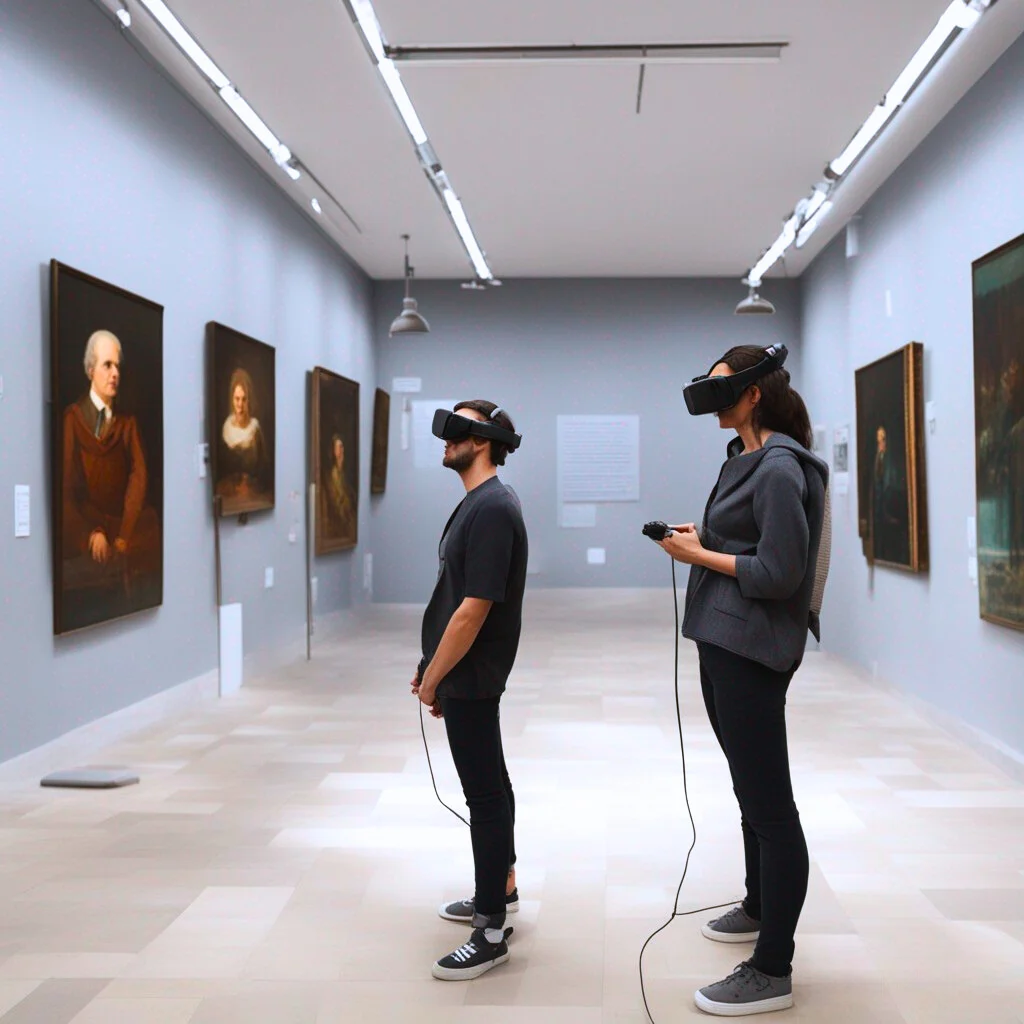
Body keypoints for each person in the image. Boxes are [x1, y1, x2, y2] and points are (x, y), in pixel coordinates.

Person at [659, 345, 828, 1016]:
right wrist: (702, 537)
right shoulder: (744, 459)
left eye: (722, 388)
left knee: (770, 805)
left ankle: (772, 969)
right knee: (747, 787)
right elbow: (751, 545)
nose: (711, 397)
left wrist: (696, 552)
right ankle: (760, 906)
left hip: (752, 648)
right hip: (723, 639)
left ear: (753, 394)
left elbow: (779, 573)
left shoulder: (782, 468)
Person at [412, 401, 528, 981]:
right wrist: (430, 665)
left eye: (457, 428)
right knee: (493, 784)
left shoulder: (493, 509)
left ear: (481, 440)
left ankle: (488, 932)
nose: (445, 439)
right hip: (463, 673)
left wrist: (435, 676)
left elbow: (473, 610)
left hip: (473, 675)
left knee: (483, 796)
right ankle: (499, 890)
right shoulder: (478, 504)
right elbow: (452, 594)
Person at [61, 329, 160, 628]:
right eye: (107, 365)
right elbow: (65, 491)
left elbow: (139, 477)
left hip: (125, 529)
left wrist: (123, 536)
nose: (115, 373)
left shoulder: (127, 422)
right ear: (91, 370)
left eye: (117, 366)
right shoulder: (73, 419)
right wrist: (91, 534)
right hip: (91, 528)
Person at [217, 367, 269, 506]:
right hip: (229, 498)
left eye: (244, 399)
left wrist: (252, 485)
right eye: (237, 399)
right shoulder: (227, 427)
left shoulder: (255, 429)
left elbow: (265, 470)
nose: (239, 405)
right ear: (232, 399)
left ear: (249, 401)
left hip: (252, 497)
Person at [321, 433, 357, 543]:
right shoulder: (329, 479)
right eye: (338, 448)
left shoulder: (345, 478)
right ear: (332, 452)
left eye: (342, 447)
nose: (341, 452)